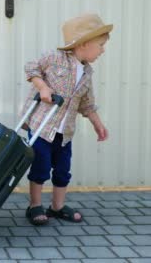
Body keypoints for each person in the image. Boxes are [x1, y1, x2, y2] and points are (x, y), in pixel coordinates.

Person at [21, 13, 111, 226]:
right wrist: (43, 87)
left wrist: (98, 123)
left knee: (62, 170)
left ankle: (57, 206)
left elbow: (87, 103)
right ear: (84, 44)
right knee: (41, 168)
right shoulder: (54, 58)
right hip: (42, 127)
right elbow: (31, 67)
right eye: (100, 45)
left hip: (65, 133)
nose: (103, 50)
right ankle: (34, 206)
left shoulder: (87, 72)